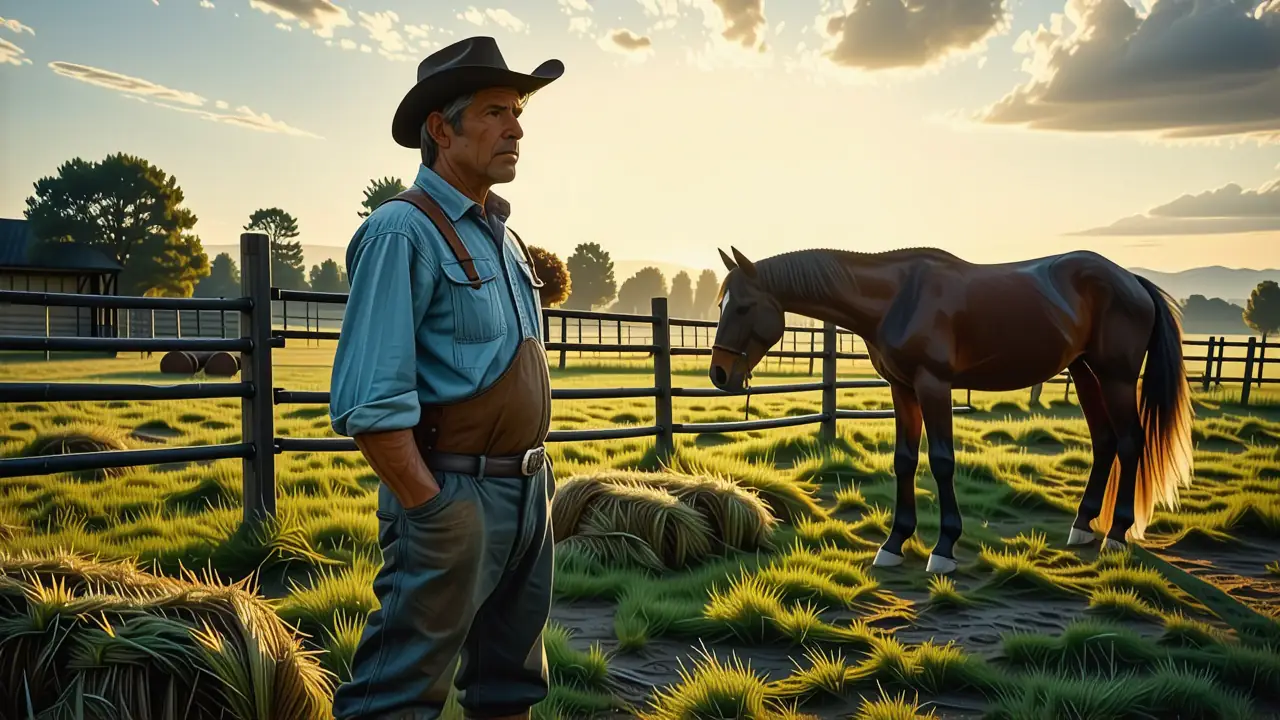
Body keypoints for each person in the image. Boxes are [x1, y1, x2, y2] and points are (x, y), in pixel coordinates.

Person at [327, 35, 564, 720]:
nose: (516, 127)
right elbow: (371, 404)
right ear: (440, 129)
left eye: (517, 112)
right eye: (494, 111)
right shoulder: (402, 231)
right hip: (451, 495)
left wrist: (529, 493)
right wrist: (433, 509)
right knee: (395, 698)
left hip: (526, 493)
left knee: (510, 690)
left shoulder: (506, 238)